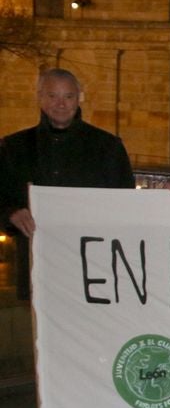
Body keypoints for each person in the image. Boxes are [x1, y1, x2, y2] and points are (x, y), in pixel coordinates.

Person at [0, 68, 135, 300]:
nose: (60, 104)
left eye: (68, 96)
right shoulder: (13, 147)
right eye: (52, 96)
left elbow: (126, 204)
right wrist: (10, 214)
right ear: (40, 97)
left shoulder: (108, 147)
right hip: (34, 268)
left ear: (79, 97)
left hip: (93, 270)